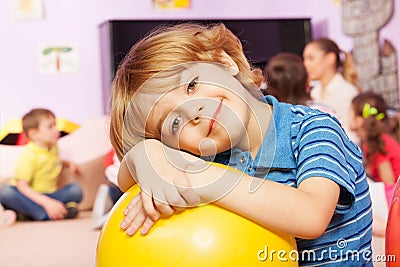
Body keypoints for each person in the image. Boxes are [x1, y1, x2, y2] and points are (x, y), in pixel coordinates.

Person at [109, 23, 373, 266]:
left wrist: (198, 176)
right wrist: (144, 154)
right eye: (175, 123)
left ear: (225, 62)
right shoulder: (205, 157)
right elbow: (127, 182)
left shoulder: (313, 129)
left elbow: (312, 215)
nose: (194, 112)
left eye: (191, 85)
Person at [0, 108, 83, 221]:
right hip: (31, 196)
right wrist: (47, 203)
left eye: (55, 125)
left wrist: (69, 164)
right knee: (6, 192)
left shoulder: (53, 148)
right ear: (34, 134)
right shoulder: (29, 156)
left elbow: (53, 162)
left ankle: (30, 214)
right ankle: (45, 214)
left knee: (76, 190)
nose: (56, 130)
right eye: (50, 127)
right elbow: (22, 186)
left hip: (51, 195)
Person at [303, 38, 360, 143]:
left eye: (311, 58)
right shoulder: (314, 92)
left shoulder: (347, 92)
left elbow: (354, 137)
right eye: (305, 59)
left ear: (330, 58)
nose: (306, 64)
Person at [263, 52, 335, 115]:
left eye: (311, 58)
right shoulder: (325, 114)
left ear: (268, 87)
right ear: (307, 82)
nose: (307, 63)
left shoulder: (263, 120)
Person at [92, 149, 123, 229]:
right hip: (119, 186)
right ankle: (107, 215)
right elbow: (107, 161)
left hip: (116, 183)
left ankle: (107, 215)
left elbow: (107, 162)